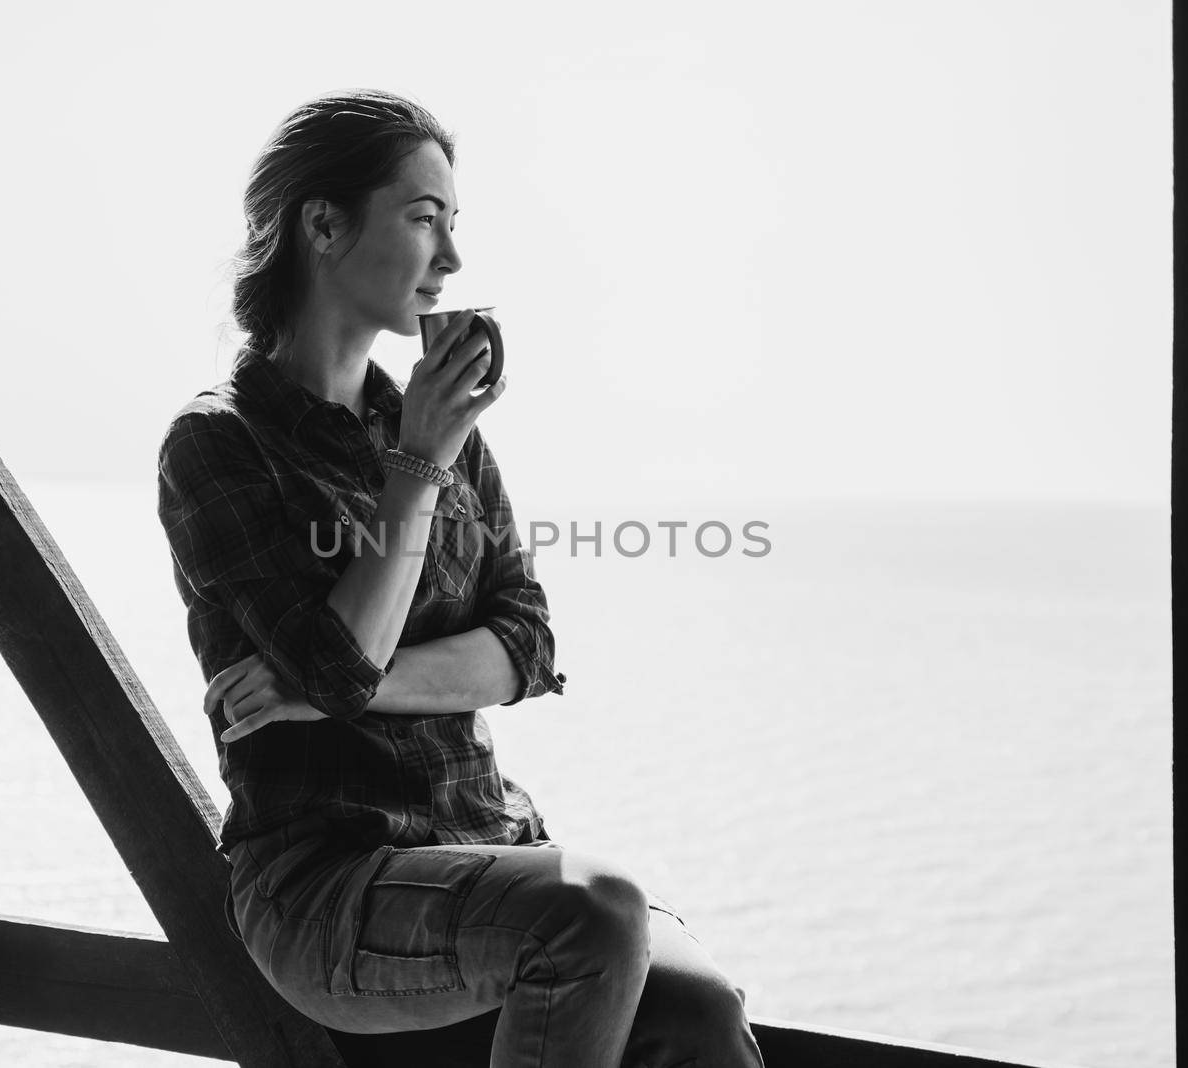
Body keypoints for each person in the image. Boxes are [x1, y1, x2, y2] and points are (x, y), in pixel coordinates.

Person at [157, 89, 765, 1067]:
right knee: (594, 913)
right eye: (423, 218)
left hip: (486, 847)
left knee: (697, 1013)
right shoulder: (221, 442)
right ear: (322, 224)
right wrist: (420, 465)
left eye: (453, 224)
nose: (451, 260)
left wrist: (329, 695)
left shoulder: (433, 422)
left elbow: (525, 647)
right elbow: (340, 664)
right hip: (326, 890)